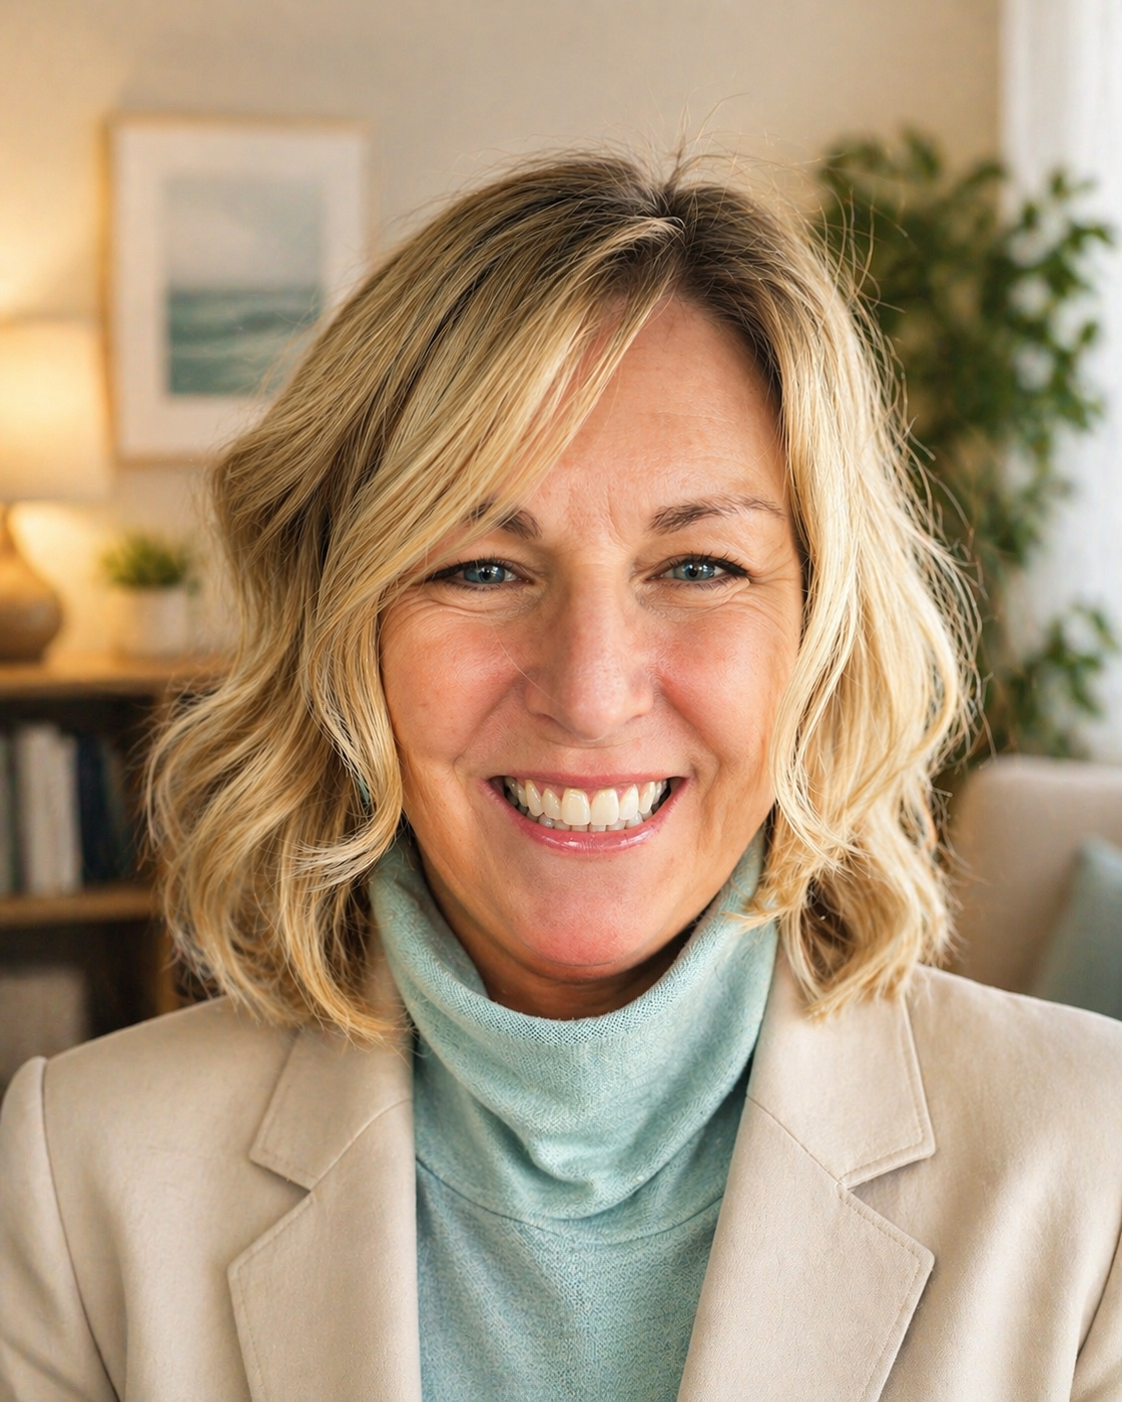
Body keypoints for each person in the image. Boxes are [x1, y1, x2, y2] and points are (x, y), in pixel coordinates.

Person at [2, 152, 1121, 1402]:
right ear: (342, 630)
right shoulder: (76, 1176)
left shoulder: (1093, 1171)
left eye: (698, 566)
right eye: (481, 567)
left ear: (824, 633)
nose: (590, 692)